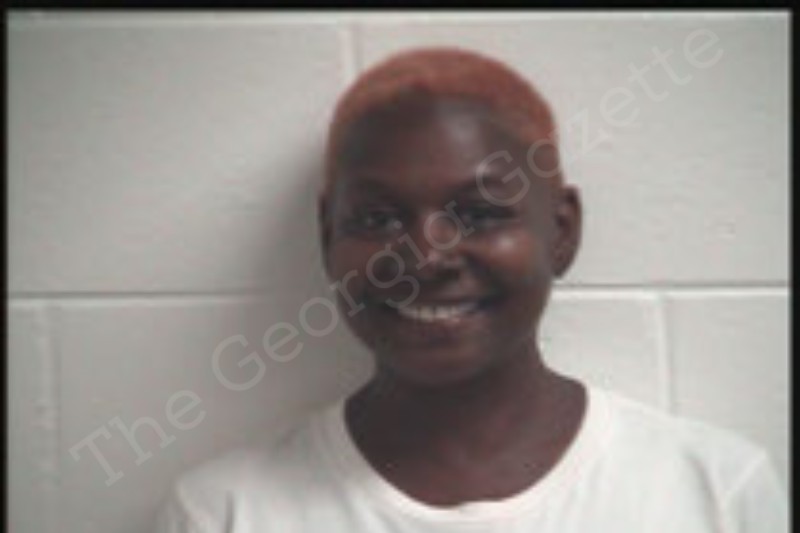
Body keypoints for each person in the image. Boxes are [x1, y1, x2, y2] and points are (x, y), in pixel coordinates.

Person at [155, 47, 788, 532]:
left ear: (562, 232)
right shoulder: (225, 513)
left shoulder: (714, 492)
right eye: (377, 218)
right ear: (327, 238)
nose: (426, 258)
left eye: (480, 214)